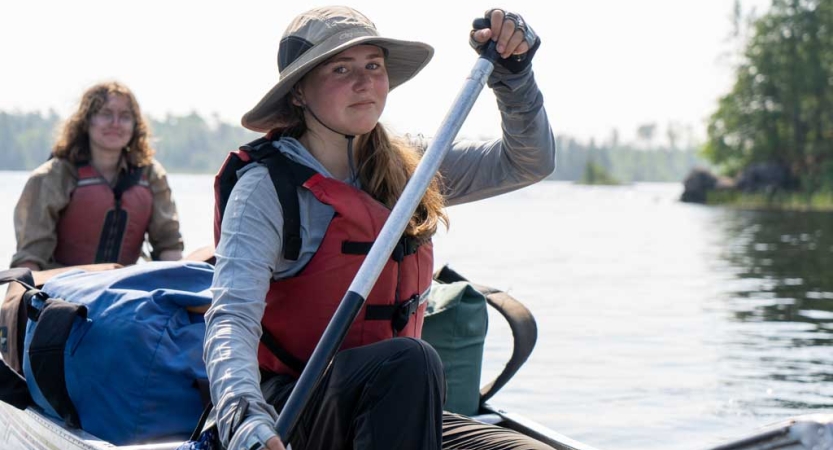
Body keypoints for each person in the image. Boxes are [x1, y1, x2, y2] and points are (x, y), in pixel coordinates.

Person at [206, 6, 554, 450]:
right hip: (293, 411)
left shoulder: (413, 165)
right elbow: (230, 318)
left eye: (373, 66)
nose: (364, 81)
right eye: (340, 68)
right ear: (298, 93)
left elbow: (529, 161)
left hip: (396, 406)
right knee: (409, 360)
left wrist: (515, 76)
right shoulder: (265, 189)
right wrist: (246, 421)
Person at [11, 81, 184, 270]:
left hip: (125, 290)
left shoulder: (151, 175)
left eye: (125, 117)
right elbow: (30, 258)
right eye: (106, 114)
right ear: (86, 121)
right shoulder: (51, 177)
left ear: (135, 126)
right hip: (62, 290)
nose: (115, 124)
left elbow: (169, 245)